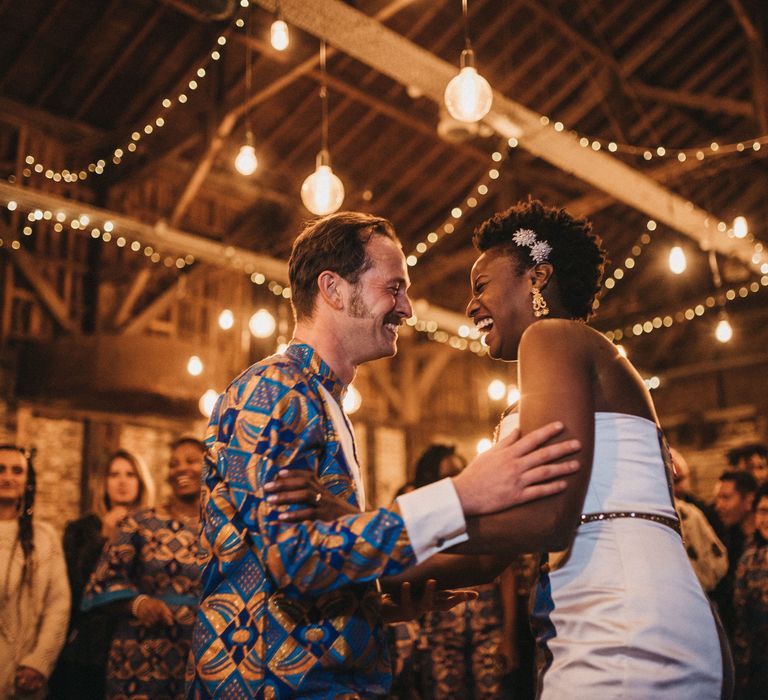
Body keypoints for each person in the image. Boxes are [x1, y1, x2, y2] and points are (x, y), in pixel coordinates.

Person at [187, 211, 581, 698]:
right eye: (394, 288)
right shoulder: (274, 390)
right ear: (332, 289)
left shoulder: (319, 398)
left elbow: (306, 560)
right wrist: (461, 495)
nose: (408, 308)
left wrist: (371, 603)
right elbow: (292, 557)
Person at [393, 200, 730, 697]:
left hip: (626, 621)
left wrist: (385, 528)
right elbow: (489, 561)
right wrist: (373, 578)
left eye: (481, 286)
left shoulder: (552, 337)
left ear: (538, 276)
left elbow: (549, 516)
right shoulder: (572, 359)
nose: (469, 307)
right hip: (629, 611)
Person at [82, 437, 204, 700]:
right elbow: (101, 582)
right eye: (173, 464)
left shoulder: (224, 530)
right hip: (140, 658)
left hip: (202, 659)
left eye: (191, 461)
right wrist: (138, 604)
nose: (181, 469)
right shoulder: (139, 522)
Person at [49, 449, 155, 699]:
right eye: (114, 474)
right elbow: (75, 587)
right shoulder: (81, 529)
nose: (122, 481)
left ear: (141, 482)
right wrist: (104, 538)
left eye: (130, 475)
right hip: (90, 651)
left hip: (139, 644)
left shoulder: (154, 529)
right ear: (104, 483)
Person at [413, 445, 514, 700]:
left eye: (461, 471)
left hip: (487, 630)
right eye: (449, 474)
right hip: (442, 634)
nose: (458, 479)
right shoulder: (425, 520)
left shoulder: (482, 512)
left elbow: (506, 574)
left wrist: (509, 635)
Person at [0, 445, 70, 699]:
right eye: (0, 469)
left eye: (17, 471)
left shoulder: (44, 537)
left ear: (27, 482)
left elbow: (58, 604)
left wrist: (40, 660)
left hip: (23, 674)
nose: (8, 477)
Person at [670, 448, 728, 593]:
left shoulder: (699, 512)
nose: (680, 487)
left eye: (681, 479)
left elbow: (717, 561)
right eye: (673, 481)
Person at [712, 469, 758, 642]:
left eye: (726, 498)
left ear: (749, 501)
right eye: (718, 498)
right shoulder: (726, 542)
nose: (718, 506)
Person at [733, 482, 768, 698]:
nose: (766, 519)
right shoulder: (749, 559)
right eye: (763, 511)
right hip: (758, 665)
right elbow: (740, 618)